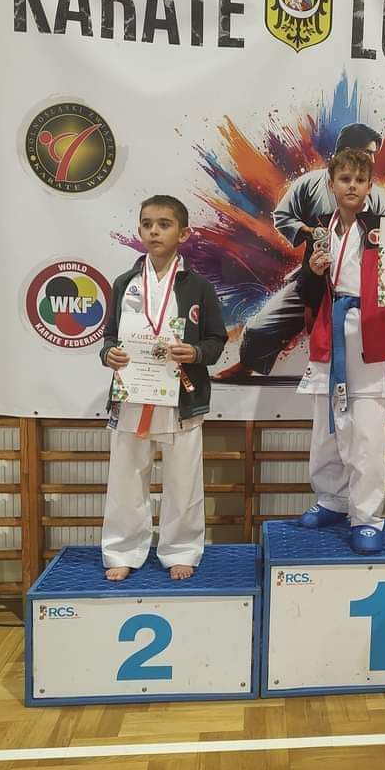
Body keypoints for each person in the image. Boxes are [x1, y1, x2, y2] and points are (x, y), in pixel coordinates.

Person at [294, 148, 385, 554]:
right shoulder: (319, 232)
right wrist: (313, 272)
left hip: (370, 332)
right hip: (331, 331)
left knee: (367, 432)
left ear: (370, 186)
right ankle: (332, 500)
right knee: (327, 427)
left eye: (360, 180)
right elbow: (305, 292)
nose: (352, 186)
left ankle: (368, 517)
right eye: (345, 179)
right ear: (331, 184)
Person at [98, 195, 227, 581]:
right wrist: (109, 354)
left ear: (183, 233)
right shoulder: (125, 284)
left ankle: (181, 549)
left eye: (164, 224)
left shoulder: (199, 287)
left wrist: (196, 352)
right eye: (147, 224)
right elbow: (109, 337)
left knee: (183, 479)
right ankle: (122, 549)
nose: (154, 231)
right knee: (125, 476)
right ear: (139, 230)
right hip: (132, 393)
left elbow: (216, 340)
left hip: (181, 396)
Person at [238, 123, 385, 375]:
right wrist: (308, 232)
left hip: (365, 280)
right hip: (316, 276)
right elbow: (283, 216)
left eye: (373, 155)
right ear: (345, 151)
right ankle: (246, 365)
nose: (372, 159)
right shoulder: (310, 184)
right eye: (367, 152)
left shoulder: (377, 196)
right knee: (258, 328)